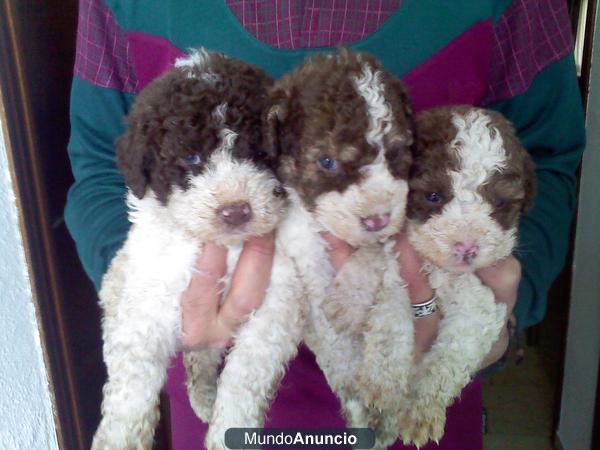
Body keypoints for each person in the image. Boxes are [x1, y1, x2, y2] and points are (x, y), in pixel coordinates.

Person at [65, 1, 585, 449]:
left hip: (416, 388)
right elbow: (98, 166)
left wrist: (500, 314)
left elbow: (547, 155)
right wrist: (156, 297)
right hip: (220, 402)